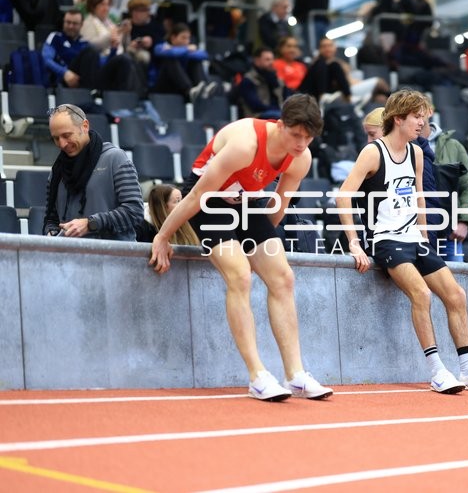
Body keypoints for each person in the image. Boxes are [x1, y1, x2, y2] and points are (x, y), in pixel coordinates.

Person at [149, 94, 333, 402]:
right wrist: (163, 236)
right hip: (208, 201)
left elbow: (277, 208)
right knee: (240, 275)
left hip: (249, 201)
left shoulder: (301, 158)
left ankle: (296, 375)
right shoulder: (245, 144)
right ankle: (257, 376)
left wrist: (262, 241)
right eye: (296, 135)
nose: (302, 144)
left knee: (283, 277)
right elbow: (195, 197)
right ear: (280, 125)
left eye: (309, 137)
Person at [336, 89, 468, 394]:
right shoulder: (373, 152)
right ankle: (437, 370)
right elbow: (343, 195)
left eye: (424, 116)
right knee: (421, 294)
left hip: (415, 239)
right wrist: (354, 242)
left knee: (456, 295)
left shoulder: (416, 152)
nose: (422, 122)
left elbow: (418, 198)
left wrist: (425, 237)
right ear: (398, 119)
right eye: (416, 116)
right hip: (386, 240)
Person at [44, 104, 144, 240]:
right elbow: (51, 219)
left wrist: (91, 224)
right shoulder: (56, 171)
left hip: (114, 257)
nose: (62, 144)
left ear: (85, 126)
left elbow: (135, 212)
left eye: (66, 135)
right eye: (56, 138)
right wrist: (51, 232)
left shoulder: (115, 158)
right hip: (70, 258)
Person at [419, 112, 468, 262]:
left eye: (419, 112)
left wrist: (464, 222)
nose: (417, 117)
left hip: (449, 234)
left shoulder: (453, 146)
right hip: (416, 232)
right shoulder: (403, 146)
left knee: (456, 282)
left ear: (428, 112)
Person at [153, 22, 216, 101]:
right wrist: (186, 50)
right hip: (165, 86)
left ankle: (203, 89)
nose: (186, 41)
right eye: (183, 38)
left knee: (195, 61)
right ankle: (189, 90)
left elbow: (204, 55)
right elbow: (162, 52)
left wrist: (181, 51)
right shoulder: (162, 46)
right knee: (171, 59)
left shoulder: (180, 50)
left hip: (181, 87)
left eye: (188, 38)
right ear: (173, 38)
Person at [238, 47, 284, 119]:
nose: (271, 62)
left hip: (277, 113)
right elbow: (256, 106)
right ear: (257, 61)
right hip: (257, 116)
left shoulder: (276, 79)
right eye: (267, 59)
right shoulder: (248, 80)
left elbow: (287, 97)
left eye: (272, 59)